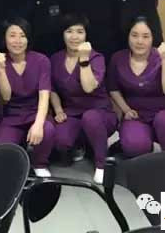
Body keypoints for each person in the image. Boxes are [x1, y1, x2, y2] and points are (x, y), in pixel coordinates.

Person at [50, 14, 117, 184]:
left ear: (86, 35)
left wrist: (84, 59)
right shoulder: (56, 58)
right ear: (62, 34)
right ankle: (82, 144)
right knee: (61, 140)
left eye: (80, 32)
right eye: (69, 31)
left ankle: (101, 164)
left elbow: (88, 87)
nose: (74, 36)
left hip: (99, 113)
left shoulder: (96, 58)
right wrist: (58, 110)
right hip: (72, 112)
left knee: (90, 119)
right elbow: (52, 89)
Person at [107, 18, 165, 158]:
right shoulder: (118, 58)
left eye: (145, 36)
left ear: (153, 37)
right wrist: (126, 109)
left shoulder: (164, 56)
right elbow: (113, 89)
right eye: (134, 35)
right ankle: (142, 145)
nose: (140, 41)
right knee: (134, 146)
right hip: (137, 115)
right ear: (128, 36)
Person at [0, 19, 55, 177]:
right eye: (12, 35)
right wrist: (1, 69)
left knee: (46, 130)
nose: (17, 41)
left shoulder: (41, 60)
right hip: (11, 116)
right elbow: (5, 97)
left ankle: (40, 163)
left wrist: (38, 124)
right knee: (2, 153)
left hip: (35, 112)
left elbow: (44, 95)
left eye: (22, 35)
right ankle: (20, 147)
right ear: (4, 38)